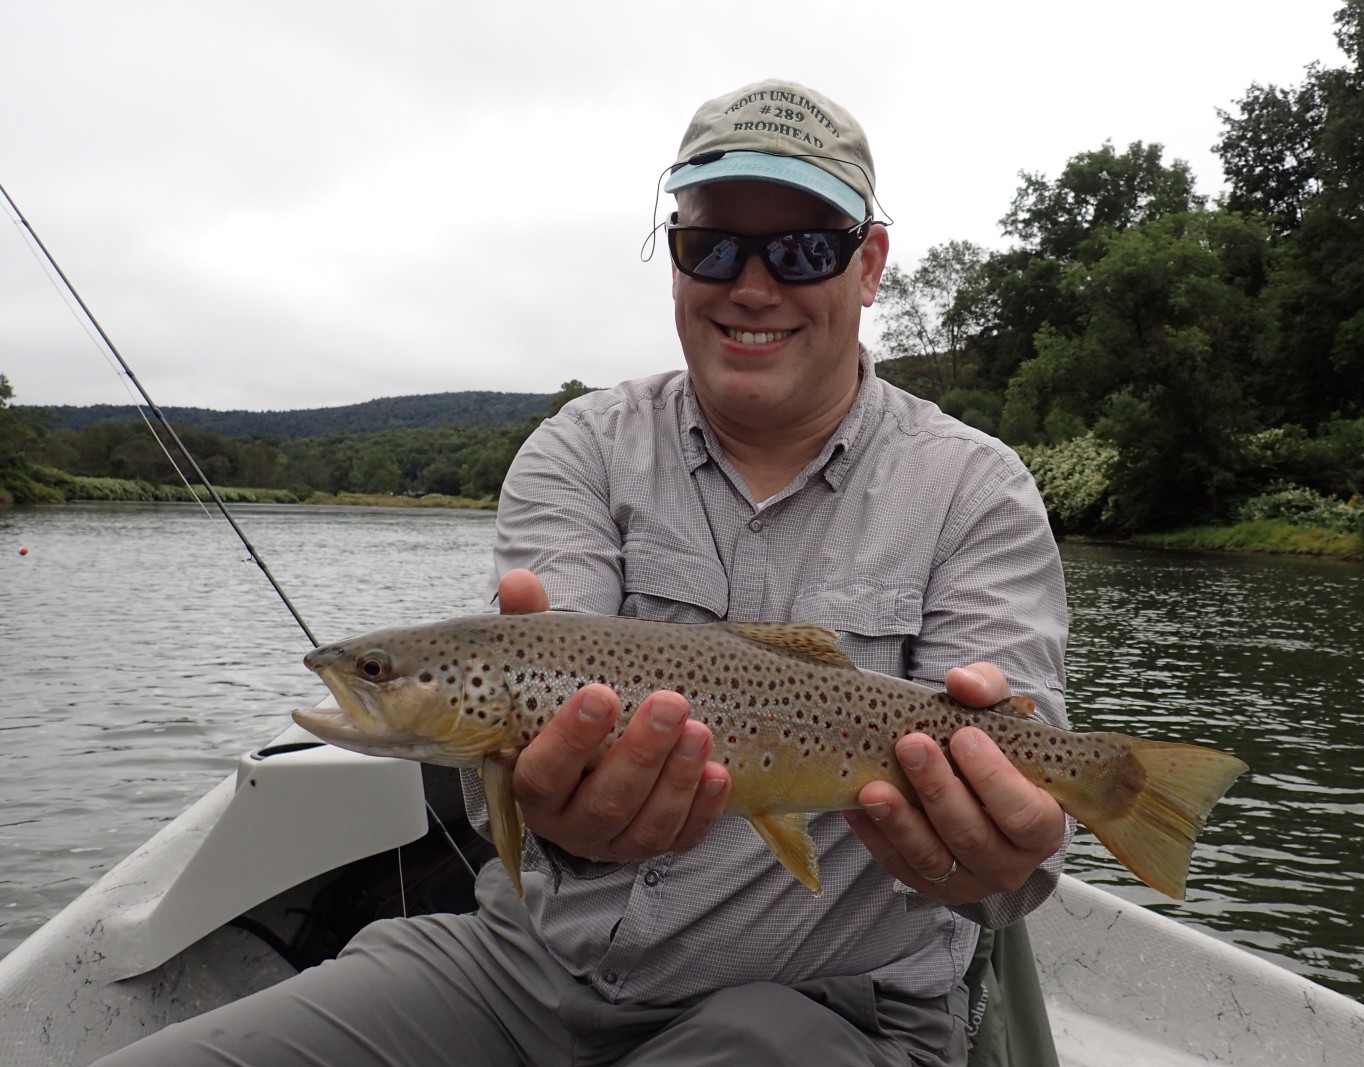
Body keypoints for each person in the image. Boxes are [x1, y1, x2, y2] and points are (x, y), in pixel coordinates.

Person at [96, 77, 1070, 1067]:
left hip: (822, 1004)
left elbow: (1013, 876)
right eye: (713, 243)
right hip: (524, 971)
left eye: (803, 249)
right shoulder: (580, 451)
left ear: (867, 267)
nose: (752, 283)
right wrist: (561, 824)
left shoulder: (973, 490)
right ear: (675, 257)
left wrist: (988, 854)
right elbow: (511, 781)